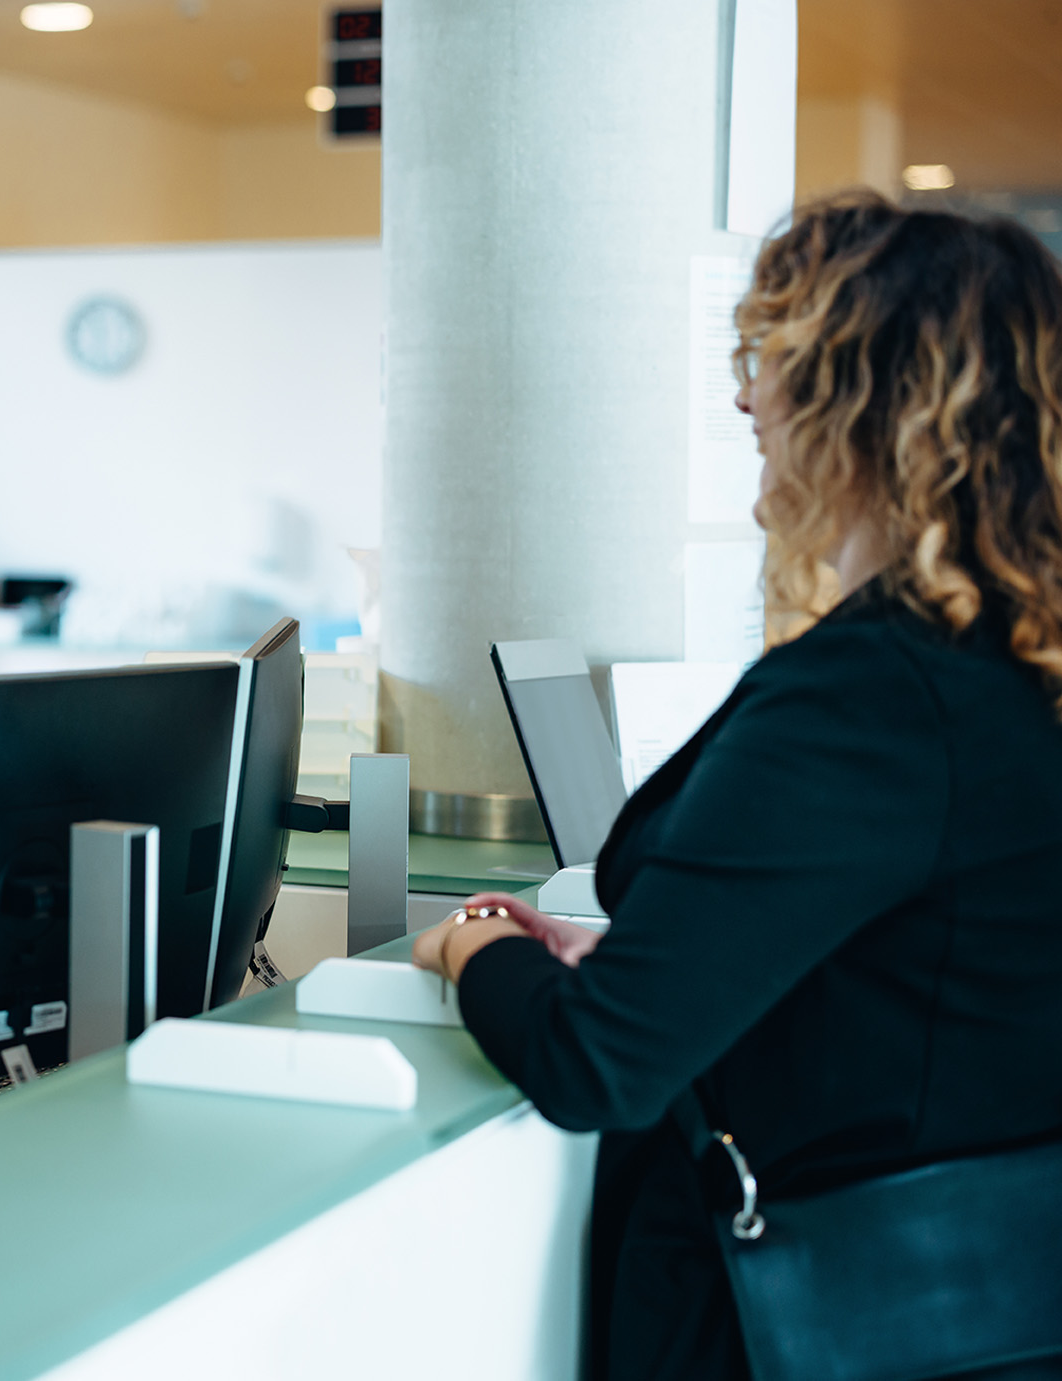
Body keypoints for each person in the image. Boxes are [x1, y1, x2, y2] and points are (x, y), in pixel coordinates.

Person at [412, 192, 1062, 1380]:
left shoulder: (871, 692)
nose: (740, 399)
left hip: (824, 1313)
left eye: (764, 361)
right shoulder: (1010, 662)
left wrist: (466, 947)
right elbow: (927, 974)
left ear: (857, 400)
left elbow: (592, 1066)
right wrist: (671, 958)